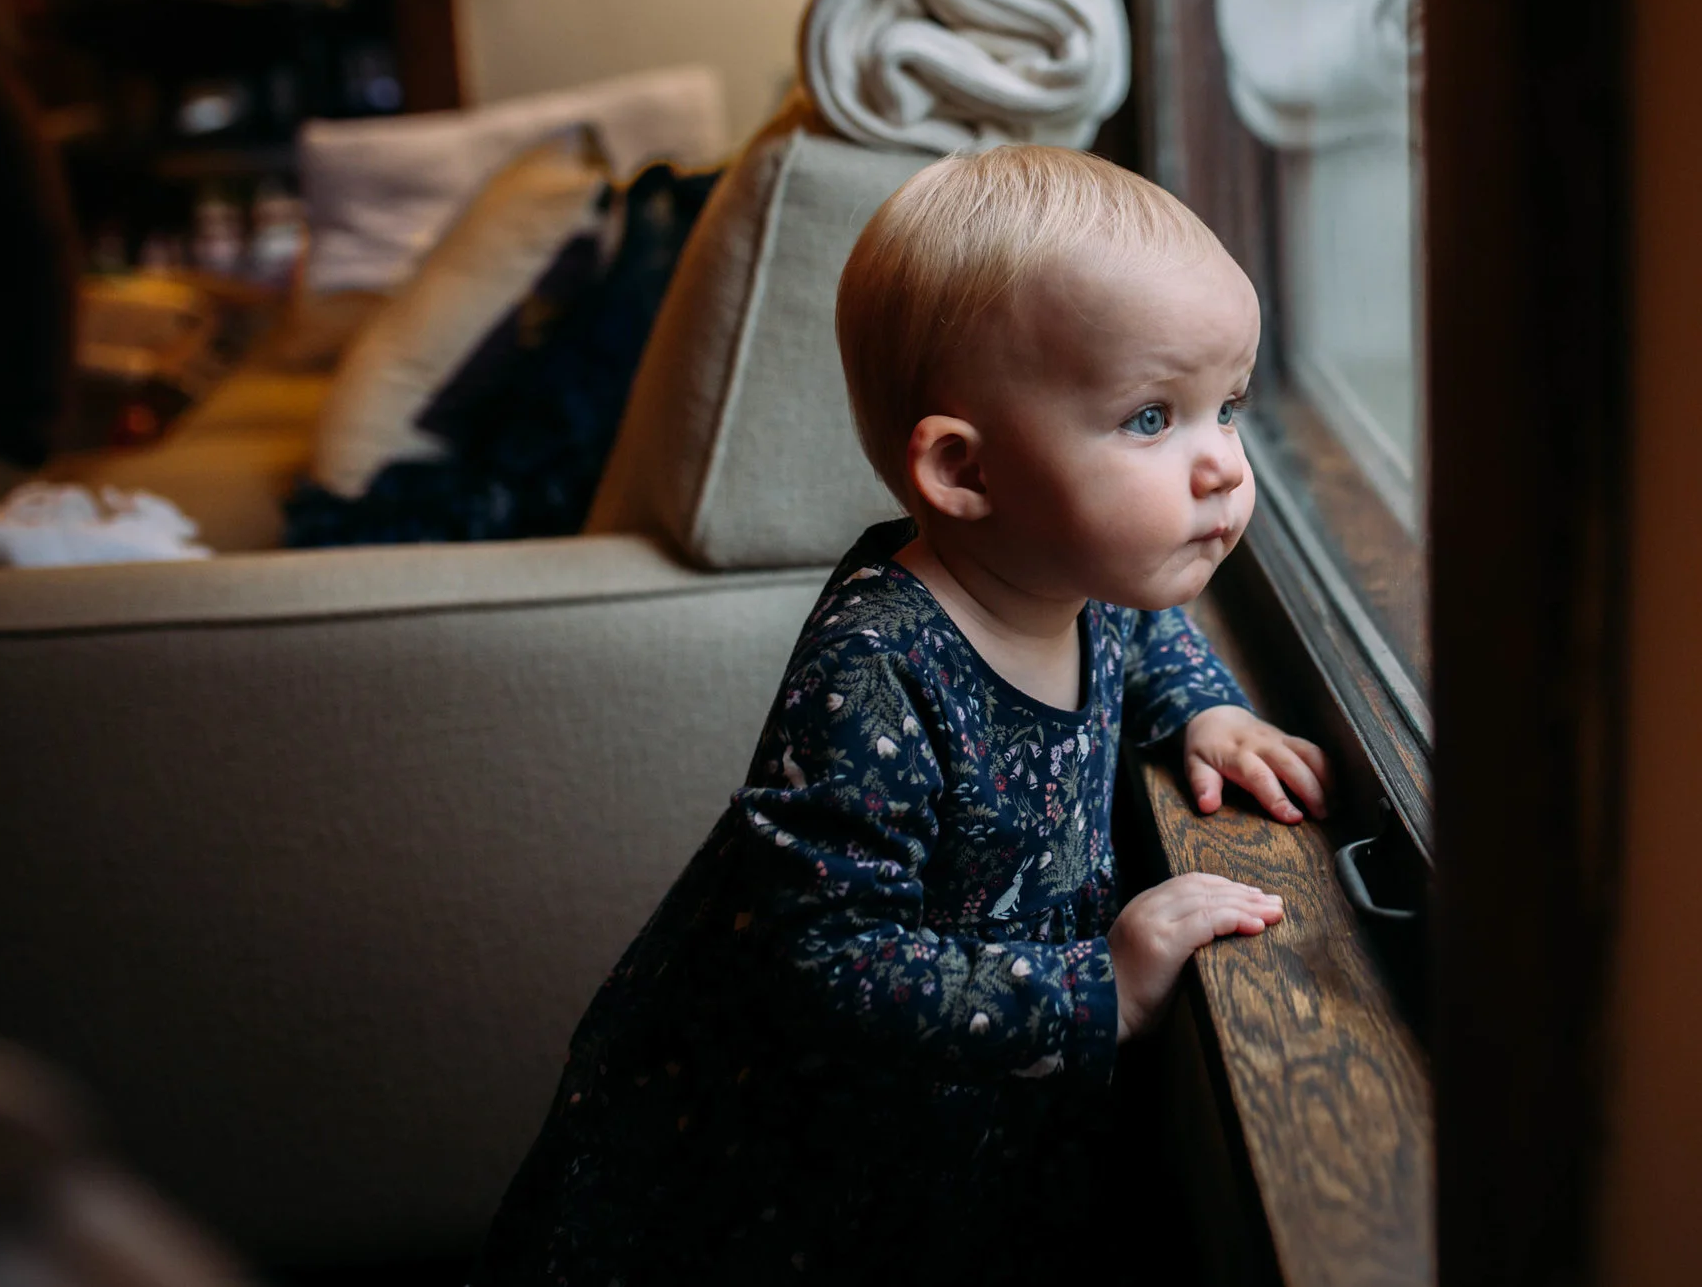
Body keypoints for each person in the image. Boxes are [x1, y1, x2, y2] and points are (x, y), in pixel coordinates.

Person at [474, 144, 1329, 1284]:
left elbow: (1141, 631)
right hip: (792, 1172)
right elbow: (822, 958)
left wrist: (1203, 711)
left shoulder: (1068, 574)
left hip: (963, 1135)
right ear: (963, 472)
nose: (1222, 463)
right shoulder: (877, 666)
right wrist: (1097, 987)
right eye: (1149, 418)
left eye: (1227, 406)